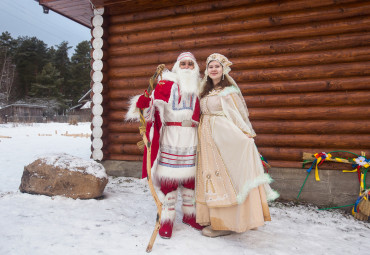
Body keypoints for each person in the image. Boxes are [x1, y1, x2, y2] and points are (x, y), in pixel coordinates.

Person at [195, 53, 279, 237]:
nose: (214, 69)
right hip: (208, 138)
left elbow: (237, 115)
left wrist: (245, 136)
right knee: (213, 177)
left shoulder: (228, 91)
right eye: (210, 67)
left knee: (228, 178)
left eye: (217, 66)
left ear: (224, 69)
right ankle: (215, 220)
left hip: (224, 136)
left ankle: (227, 223)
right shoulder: (205, 91)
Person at [126, 52, 203, 239]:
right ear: (177, 66)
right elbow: (151, 106)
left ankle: (190, 215)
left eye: (190, 64)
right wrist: (142, 103)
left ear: (195, 68)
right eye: (183, 63)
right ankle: (166, 219)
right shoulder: (166, 84)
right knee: (169, 178)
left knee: (190, 179)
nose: (186, 67)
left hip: (192, 136)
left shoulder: (200, 87)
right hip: (171, 136)